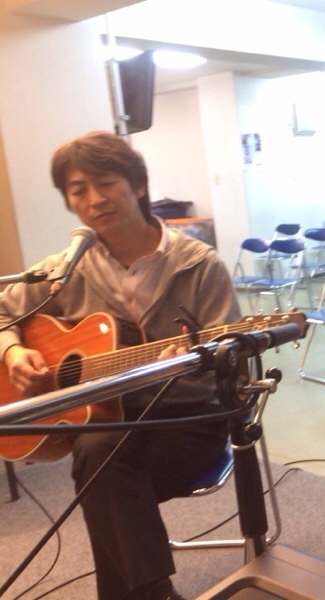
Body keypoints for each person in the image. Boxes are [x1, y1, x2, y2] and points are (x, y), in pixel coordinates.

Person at [0, 131, 241, 600]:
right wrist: (12, 351)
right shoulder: (65, 270)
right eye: (78, 190)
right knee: (100, 455)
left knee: (102, 471)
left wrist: (192, 365)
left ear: (137, 185)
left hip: (187, 421)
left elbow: (230, 356)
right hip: (112, 421)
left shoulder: (199, 265)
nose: (94, 199)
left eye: (106, 183)